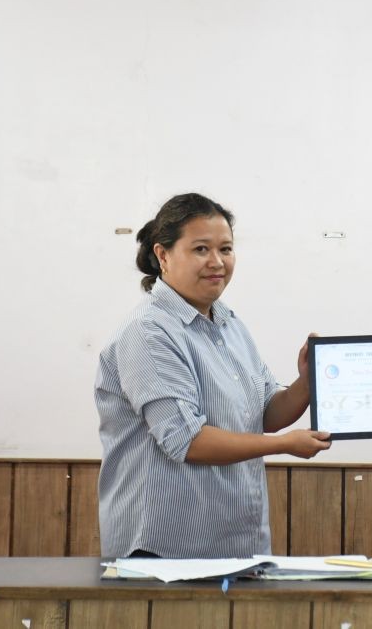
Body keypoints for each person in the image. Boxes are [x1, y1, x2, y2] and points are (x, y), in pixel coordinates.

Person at [95, 193, 331, 558]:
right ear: (163, 255)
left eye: (226, 249)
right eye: (201, 249)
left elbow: (265, 414)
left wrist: (308, 383)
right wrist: (285, 445)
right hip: (165, 551)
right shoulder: (148, 332)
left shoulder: (228, 323)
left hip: (235, 543)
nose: (217, 262)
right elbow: (187, 441)